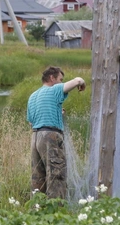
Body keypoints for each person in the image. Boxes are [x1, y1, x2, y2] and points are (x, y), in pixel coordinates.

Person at [27, 66, 86, 199]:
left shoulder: (33, 96)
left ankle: (36, 211)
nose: (61, 82)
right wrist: (82, 82)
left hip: (35, 137)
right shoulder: (54, 89)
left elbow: (32, 122)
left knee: (38, 178)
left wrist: (57, 113)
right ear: (52, 78)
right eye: (60, 79)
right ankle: (57, 214)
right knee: (56, 176)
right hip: (50, 136)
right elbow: (77, 81)